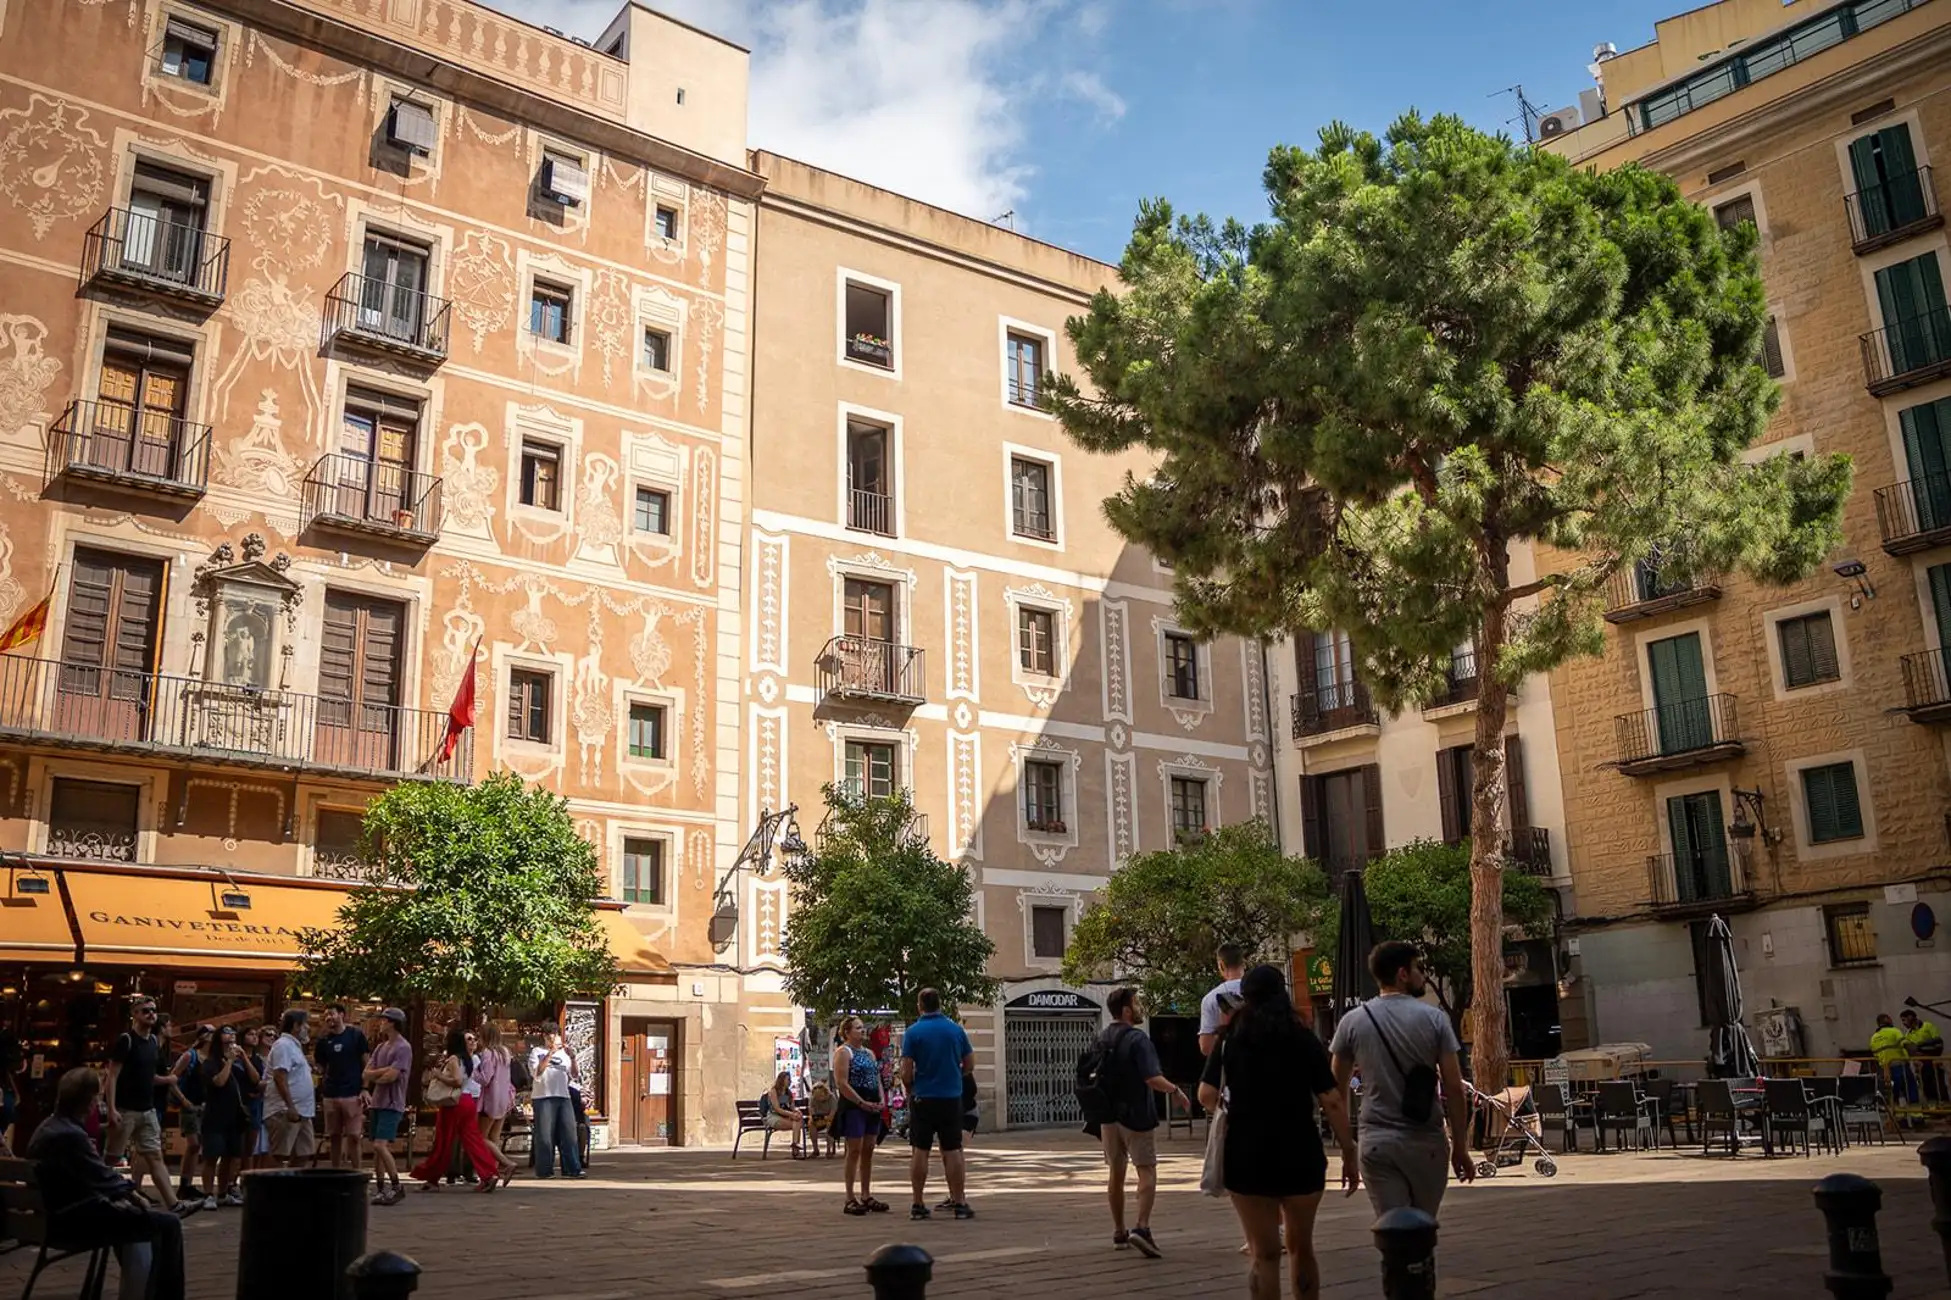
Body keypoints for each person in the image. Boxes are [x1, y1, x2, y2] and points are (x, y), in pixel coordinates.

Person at [1200, 965, 1357, 1299]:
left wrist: (1234, 1110)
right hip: (1300, 1152)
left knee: (1264, 1254)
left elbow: (1206, 1095)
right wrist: (1348, 1150)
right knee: (1301, 1248)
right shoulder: (1302, 1037)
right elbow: (1330, 1099)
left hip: (1246, 1155)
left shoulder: (1231, 1040)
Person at [1330, 941, 1473, 1219]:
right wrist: (1460, 1148)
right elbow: (1454, 1088)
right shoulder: (1435, 1019)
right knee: (1423, 1226)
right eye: (1418, 967)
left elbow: (1335, 1090)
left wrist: (1348, 1147)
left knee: (1392, 1227)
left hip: (1376, 1142)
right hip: (1426, 1142)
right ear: (1402, 974)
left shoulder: (1352, 1022)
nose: (1422, 974)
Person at [27, 1067, 186, 1300]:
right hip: (71, 1223)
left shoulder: (48, 1127)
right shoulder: (71, 1135)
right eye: (98, 1096)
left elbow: (95, 1177)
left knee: (135, 1221)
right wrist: (132, 1193)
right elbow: (104, 1178)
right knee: (168, 1224)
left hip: (55, 1216)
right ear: (90, 1101)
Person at [1095, 986, 1190, 1259]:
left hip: (1108, 1118)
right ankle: (1142, 1228)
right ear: (1126, 1010)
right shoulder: (1138, 1039)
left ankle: (1119, 1232)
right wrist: (1175, 1090)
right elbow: (1151, 1078)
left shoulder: (1101, 1038)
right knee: (1146, 1170)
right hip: (1136, 1116)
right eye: (1136, 1003)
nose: (1139, 1008)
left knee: (1116, 1172)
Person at [102, 999, 189, 1216]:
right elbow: (112, 1075)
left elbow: (149, 1077)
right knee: (112, 1157)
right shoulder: (126, 1040)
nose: (150, 1014)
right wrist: (111, 1107)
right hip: (125, 1109)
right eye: (145, 1011)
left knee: (155, 1156)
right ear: (135, 1014)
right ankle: (102, 1197)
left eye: (153, 1011)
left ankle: (174, 1204)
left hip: (147, 1109)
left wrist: (168, 1080)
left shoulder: (152, 1042)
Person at [899, 988, 974, 1221]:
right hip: (951, 1097)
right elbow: (969, 1064)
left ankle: (918, 1204)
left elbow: (905, 1071)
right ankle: (960, 1202)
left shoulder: (913, 1032)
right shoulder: (955, 1030)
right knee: (953, 1149)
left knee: (920, 1150)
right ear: (939, 1004)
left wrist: (912, 1089)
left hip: (923, 1097)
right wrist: (953, 1076)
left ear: (920, 1006)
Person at [410, 1025, 504, 1193]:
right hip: (467, 1102)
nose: (473, 1041)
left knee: (443, 1141)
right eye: (469, 1039)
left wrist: (438, 1076)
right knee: (472, 1140)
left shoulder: (454, 1059)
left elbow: (458, 1081)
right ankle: (488, 1174)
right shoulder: (470, 1059)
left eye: (474, 1039)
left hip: (454, 1103)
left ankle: (432, 1178)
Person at [830, 1017, 887, 1215]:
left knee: (869, 1149)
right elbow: (842, 1083)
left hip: (872, 1104)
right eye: (858, 1028)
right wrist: (862, 1103)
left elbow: (876, 1077)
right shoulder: (843, 1052)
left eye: (863, 1028)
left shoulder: (869, 1053)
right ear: (846, 1032)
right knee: (854, 1150)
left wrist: (881, 1098)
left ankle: (866, 1194)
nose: (862, 1031)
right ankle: (849, 1197)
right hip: (855, 1105)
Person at [196, 1025, 255, 1207]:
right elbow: (219, 1082)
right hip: (215, 1117)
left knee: (232, 1157)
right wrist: (229, 1061)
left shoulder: (238, 1063)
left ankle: (223, 1192)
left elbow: (255, 1079)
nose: (231, 1037)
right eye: (227, 1034)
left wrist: (244, 1058)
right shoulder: (210, 1063)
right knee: (212, 1157)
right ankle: (208, 1194)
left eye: (233, 1035)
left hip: (234, 1118)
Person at [363, 1008, 413, 1205]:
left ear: (392, 1022)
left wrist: (379, 1074)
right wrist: (381, 1073)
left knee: (379, 1144)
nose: (380, 1023)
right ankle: (381, 1188)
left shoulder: (403, 1047)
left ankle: (396, 1185)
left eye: (383, 1020)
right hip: (377, 1101)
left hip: (393, 1103)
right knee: (376, 1148)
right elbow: (366, 1073)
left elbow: (392, 1077)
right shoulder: (381, 1047)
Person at [314, 1004, 370, 1170]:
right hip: (331, 1093)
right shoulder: (323, 1041)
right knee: (334, 1136)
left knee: (354, 1136)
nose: (328, 1018)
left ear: (342, 1015)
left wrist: (365, 1087)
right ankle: (336, 1171)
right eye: (326, 1016)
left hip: (352, 1093)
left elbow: (367, 1062)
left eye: (331, 1014)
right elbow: (321, 1066)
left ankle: (357, 1173)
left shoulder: (356, 1035)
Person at [165, 1025, 212, 1207]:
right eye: (211, 1033)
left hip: (205, 1105)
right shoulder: (189, 1056)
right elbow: (173, 1078)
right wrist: (183, 1100)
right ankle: (184, 1184)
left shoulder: (213, 1058)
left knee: (197, 1147)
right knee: (193, 1144)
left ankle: (188, 1183)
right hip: (190, 1105)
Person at [528, 1028, 583, 1179]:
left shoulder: (564, 1054)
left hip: (563, 1096)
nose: (554, 1038)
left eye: (556, 1035)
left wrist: (572, 1058)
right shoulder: (536, 1052)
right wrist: (550, 1053)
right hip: (543, 1097)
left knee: (569, 1133)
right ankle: (545, 1171)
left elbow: (575, 1075)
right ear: (545, 1037)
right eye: (550, 1035)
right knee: (545, 1135)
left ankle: (572, 1169)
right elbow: (537, 1072)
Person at [265, 1008, 317, 1167]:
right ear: (296, 1026)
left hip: (303, 1110)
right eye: (305, 1024)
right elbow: (280, 1076)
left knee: (304, 1153)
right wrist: (290, 1106)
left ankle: (292, 1188)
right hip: (285, 1110)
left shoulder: (295, 1046)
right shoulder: (283, 1045)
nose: (308, 1028)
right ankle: (270, 1189)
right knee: (279, 1154)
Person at [470, 1022, 519, 1182]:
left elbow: (485, 1079)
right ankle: (495, 1171)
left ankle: (505, 1164)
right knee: (494, 1137)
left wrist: (472, 1070)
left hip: (490, 1100)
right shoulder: (505, 1052)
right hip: (504, 1100)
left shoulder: (488, 1054)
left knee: (480, 1137)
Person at [1200, 943, 1248, 1056]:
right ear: (1244, 964)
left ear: (1221, 965)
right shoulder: (1262, 990)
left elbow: (1206, 1047)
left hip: (1230, 1067)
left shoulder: (1211, 998)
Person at [244, 1026, 273, 1171]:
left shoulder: (275, 1057)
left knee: (266, 1145)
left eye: (275, 1035)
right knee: (251, 1146)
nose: (272, 1037)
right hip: (253, 1101)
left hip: (268, 1103)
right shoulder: (255, 1058)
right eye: (268, 1034)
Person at [1900, 1008, 1945, 1104]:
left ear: (1910, 1017)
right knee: (1927, 1087)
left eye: (1904, 1020)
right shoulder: (1908, 1034)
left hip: (1933, 1062)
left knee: (1939, 1086)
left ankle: (1945, 1108)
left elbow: (1937, 1044)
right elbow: (1911, 1050)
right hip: (1921, 1065)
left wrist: (1920, 1047)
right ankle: (1933, 1108)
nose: (1903, 1023)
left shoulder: (1927, 1026)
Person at [1871, 1013, 1916, 1107]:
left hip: (1885, 1070)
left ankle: (1899, 1117)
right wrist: (1915, 1054)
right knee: (1910, 1090)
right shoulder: (1894, 1031)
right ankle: (1916, 1116)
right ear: (1887, 1020)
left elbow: (1876, 1055)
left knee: (1895, 1094)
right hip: (1900, 1066)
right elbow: (1905, 1045)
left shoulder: (1874, 1038)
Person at [761, 1070, 806, 1151]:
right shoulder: (773, 1091)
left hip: (785, 1116)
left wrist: (796, 1111)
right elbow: (777, 1109)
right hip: (774, 1116)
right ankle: (796, 1147)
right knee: (796, 1123)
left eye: (790, 1080)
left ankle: (795, 1146)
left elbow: (792, 1107)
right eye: (788, 1079)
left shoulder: (788, 1093)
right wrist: (791, 1115)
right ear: (782, 1080)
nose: (790, 1081)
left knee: (798, 1120)